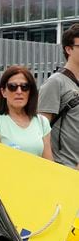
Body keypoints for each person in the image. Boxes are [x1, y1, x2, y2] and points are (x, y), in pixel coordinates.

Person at [0, 66, 52, 160]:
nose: (19, 91)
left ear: (30, 92)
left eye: (24, 87)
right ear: (3, 92)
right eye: (12, 87)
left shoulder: (42, 122)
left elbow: (49, 164)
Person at [38, 23, 79, 168]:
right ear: (68, 49)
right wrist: (51, 167)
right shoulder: (55, 82)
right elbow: (41, 128)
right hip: (64, 168)